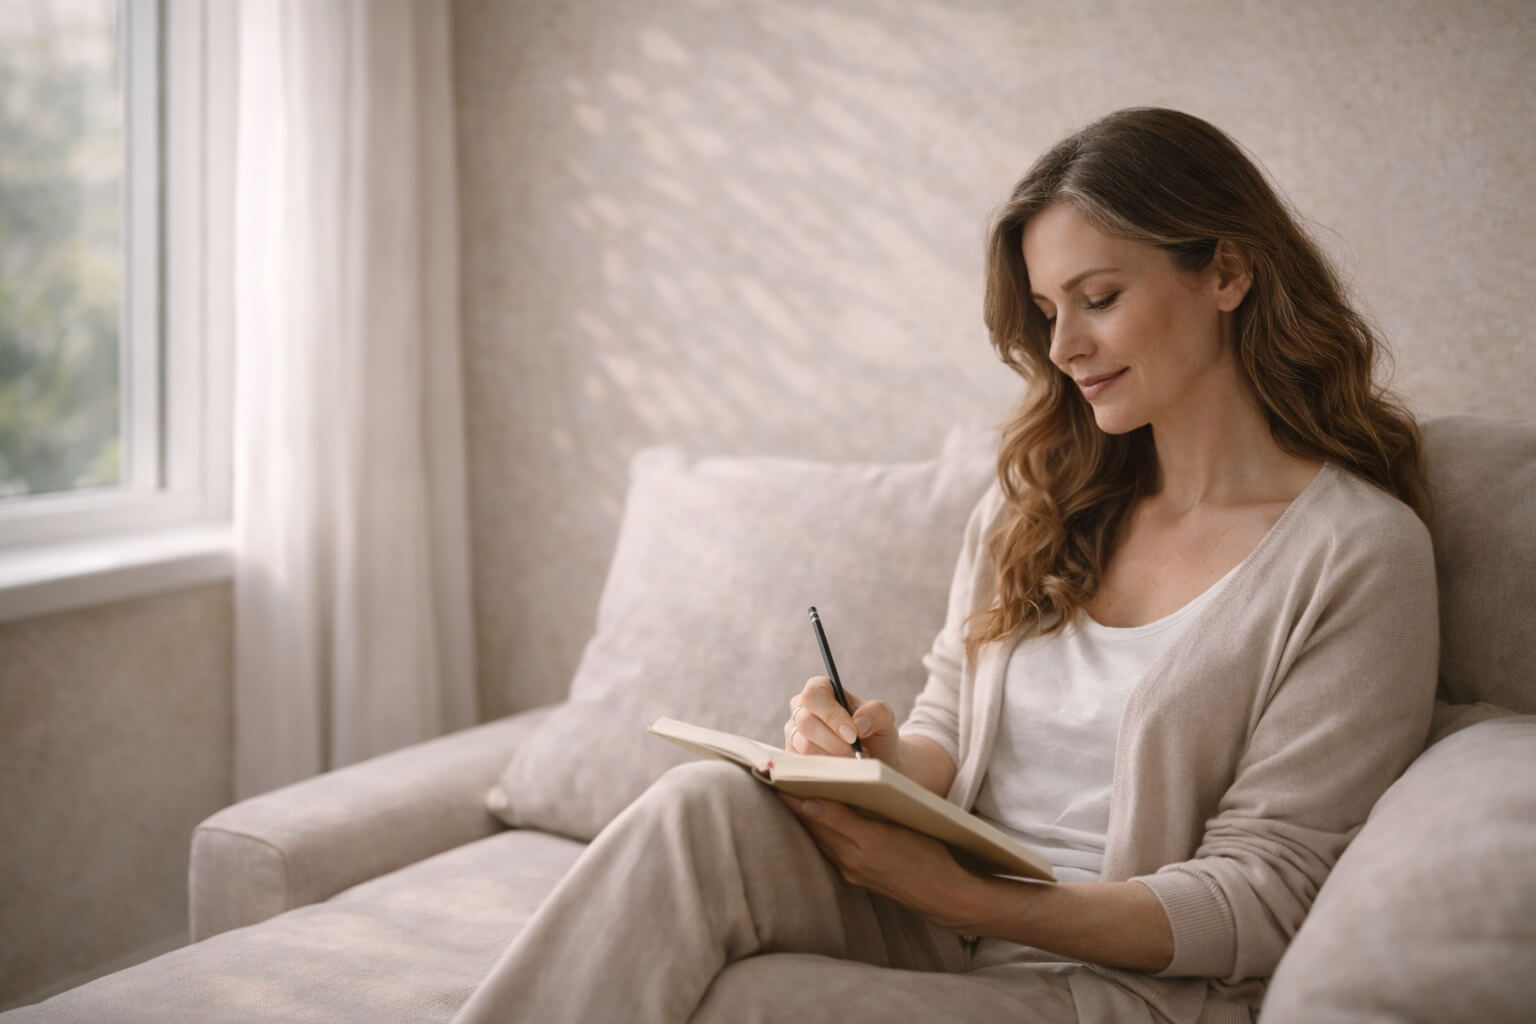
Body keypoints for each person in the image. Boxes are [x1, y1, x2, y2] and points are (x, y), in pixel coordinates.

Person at [451, 107, 1438, 1024]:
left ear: (1227, 272)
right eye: (1049, 310)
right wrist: (872, 764)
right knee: (699, 805)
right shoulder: (1038, 498)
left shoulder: (1355, 554)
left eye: (1099, 298)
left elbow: (1266, 893)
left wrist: (960, 894)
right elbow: (948, 731)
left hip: (1121, 984)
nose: (1065, 346)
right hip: (939, 923)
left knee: (757, 1003)